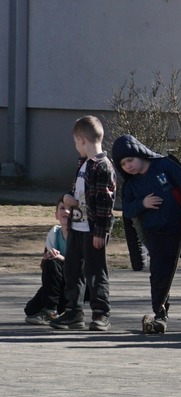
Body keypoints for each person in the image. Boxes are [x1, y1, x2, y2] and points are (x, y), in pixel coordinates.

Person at [111, 133, 181, 334]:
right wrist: (142, 204)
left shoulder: (165, 165)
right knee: (160, 276)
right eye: (123, 164)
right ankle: (160, 314)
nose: (128, 166)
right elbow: (127, 209)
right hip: (157, 234)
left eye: (130, 160)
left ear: (140, 153)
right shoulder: (131, 185)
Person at [49, 117, 115, 332]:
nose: (76, 147)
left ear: (81, 139)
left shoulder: (102, 167)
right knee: (72, 270)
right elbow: (78, 193)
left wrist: (100, 231)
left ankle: (101, 313)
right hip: (77, 227)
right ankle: (73, 312)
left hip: (93, 229)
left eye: (76, 143)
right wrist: (68, 198)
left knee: (96, 272)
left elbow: (105, 203)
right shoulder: (83, 165)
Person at [25, 204, 66, 322]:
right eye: (62, 208)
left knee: (55, 262)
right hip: (57, 281)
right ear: (56, 215)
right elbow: (44, 267)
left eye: (70, 209)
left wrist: (62, 258)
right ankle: (50, 309)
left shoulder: (80, 234)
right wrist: (47, 257)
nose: (66, 211)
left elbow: (83, 266)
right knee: (30, 310)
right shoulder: (54, 233)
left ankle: (51, 309)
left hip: (76, 282)